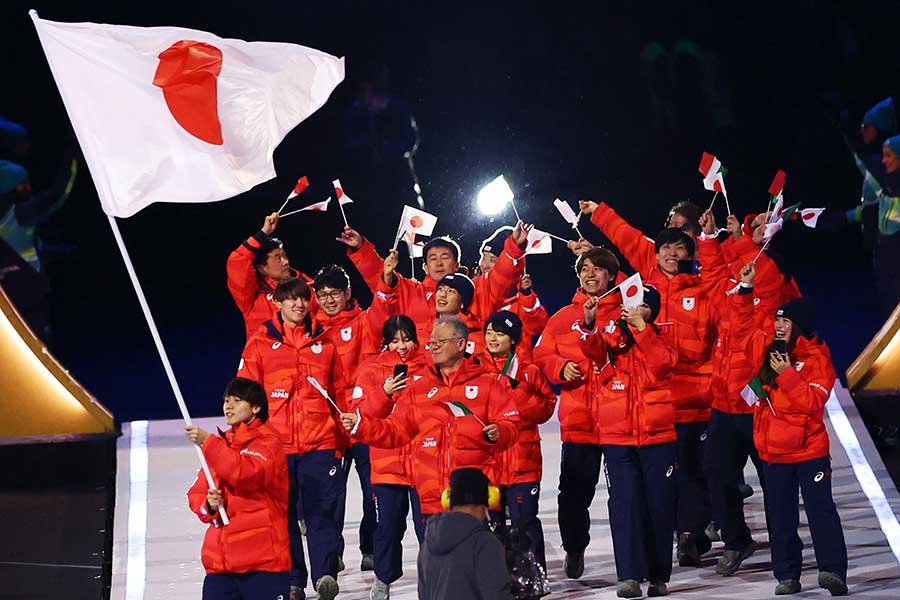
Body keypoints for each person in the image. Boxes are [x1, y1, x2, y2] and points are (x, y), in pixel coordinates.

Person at [580, 199, 717, 566]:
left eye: (680, 249)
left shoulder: (704, 287)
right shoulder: (645, 282)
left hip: (698, 397)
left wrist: (713, 238)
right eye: (666, 249)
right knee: (669, 477)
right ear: (655, 254)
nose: (672, 255)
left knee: (698, 473)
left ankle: (694, 531)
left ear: (692, 253)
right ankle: (682, 535)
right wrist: (599, 213)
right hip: (659, 401)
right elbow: (625, 239)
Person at [695, 210, 802, 574]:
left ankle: (786, 546)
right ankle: (737, 541)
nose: (748, 232)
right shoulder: (738, 274)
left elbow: (760, 272)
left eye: (758, 227)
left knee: (775, 480)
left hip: (758, 402)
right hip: (723, 403)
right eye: (748, 227)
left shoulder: (768, 275)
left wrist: (740, 237)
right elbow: (712, 278)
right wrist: (709, 239)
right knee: (716, 473)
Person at [733, 264, 848, 596]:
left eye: (786, 321)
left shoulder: (817, 360)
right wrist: (744, 290)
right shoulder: (768, 349)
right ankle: (787, 575)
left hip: (809, 453)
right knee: (780, 517)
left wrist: (786, 374)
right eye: (778, 320)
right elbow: (742, 332)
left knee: (820, 513)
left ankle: (833, 572)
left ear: (801, 326)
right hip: (773, 453)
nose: (779, 325)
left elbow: (811, 402)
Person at [340, 315, 519, 525]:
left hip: (475, 500)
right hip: (433, 501)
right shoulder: (420, 389)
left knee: (475, 556)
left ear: (461, 344)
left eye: (439, 342)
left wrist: (500, 432)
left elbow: (511, 426)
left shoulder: (488, 384)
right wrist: (362, 426)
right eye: (431, 342)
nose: (432, 347)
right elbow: (395, 431)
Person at [236, 277, 347, 600]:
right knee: (283, 518)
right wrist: (249, 441)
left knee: (321, 512)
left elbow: (338, 394)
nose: (299, 305)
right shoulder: (259, 344)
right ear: (278, 303)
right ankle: (293, 580)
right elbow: (245, 395)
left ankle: (325, 575)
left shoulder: (325, 343)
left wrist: (340, 439)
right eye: (292, 300)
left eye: (303, 299)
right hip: (277, 447)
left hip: (320, 444)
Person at [579, 284, 678, 598]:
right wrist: (591, 323)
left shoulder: (663, 337)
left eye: (642, 305)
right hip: (618, 437)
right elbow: (592, 351)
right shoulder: (612, 338)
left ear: (653, 310)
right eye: (630, 304)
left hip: (658, 437)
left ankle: (658, 575)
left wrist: (642, 329)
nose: (633, 309)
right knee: (625, 507)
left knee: (659, 507)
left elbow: (662, 365)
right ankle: (629, 577)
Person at [532, 246, 623, 579]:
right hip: (579, 420)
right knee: (574, 493)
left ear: (611, 275)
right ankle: (574, 548)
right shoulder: (561, 318)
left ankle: (633, 554)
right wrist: (561, 366)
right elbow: (541, 355)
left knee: (625, 494)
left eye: (598, 268)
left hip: (620, 421)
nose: (590, 274)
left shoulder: (626, 310)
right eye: (584, 268)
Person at [312, 260, 399, 573]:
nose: (329, 300)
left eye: (335, 293)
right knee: (328, 495)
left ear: (348, 293)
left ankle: (370, 547)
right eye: (323, 295)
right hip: (328, 424)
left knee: (371, 488)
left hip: (363, 419)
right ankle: (331, 552)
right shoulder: (311, 331)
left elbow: (385, 306)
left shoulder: (365, 322)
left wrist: (387, 280)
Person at [336, 222, 529, 348]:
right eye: (432, 259)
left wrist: (514, 247)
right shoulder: (412, 292)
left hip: (466, 373)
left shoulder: (476, 290)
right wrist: (361, 248)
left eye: (444, 258)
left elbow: (501, 276)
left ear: (457, 265)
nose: (438, 263)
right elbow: (381, 276)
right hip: (421, 376)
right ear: (425, 267)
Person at [185, 377, 290, 600]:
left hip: (263, 566)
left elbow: (247, 474)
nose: (228, 406)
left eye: (237, 400)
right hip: (221, 569)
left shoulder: (268, 443)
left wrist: (209, 442)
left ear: (256, 407)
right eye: (226, 401)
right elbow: (196, 494)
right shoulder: (221, 446)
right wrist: (209, 505)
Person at [350, 315, 430, 600]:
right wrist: (384, 393)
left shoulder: (431, 366)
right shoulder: (371, 370)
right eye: (395, 340)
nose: (402, 346)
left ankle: (431, 584)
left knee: (428, 529)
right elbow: (360, 415)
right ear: (385, 342)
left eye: (407, 339)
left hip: (425, 465)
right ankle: (383, 580)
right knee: (388, 527)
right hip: (387, 463)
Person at [478, 310, 556, 569]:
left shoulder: (528, 370)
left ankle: (535, 579)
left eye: (499, 333)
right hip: (488, 463)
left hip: (523, 459)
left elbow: (547, 407)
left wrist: (518, 399)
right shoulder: (474, 368)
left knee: (525, 521)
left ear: (513, 339)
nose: (492, 338)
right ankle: (499, 580)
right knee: (492, 524)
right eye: (489, 332)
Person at [417, 468, 512, 600]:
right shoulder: (485, 544)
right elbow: (497, 595)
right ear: (488, 499)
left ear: (448, 500)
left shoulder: (427, 543)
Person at [227, 212, 313, 341]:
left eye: (284, 255)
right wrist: (263, 233)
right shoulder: (251, 295)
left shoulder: (308, 286)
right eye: (278, 258)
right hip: (262, 358)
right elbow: (237, 262)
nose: (286, 262)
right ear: (262, 268)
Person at [476, 226, 550, 360]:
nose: (484, 265)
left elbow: (537, 326)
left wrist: (526, 296)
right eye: (483, 257)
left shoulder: (522, 299)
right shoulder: (473, 290)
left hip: (513, 372)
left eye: (493, 260)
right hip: (479, 372)